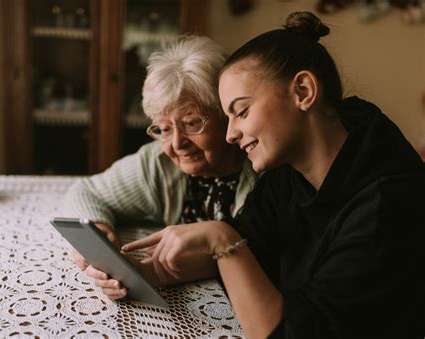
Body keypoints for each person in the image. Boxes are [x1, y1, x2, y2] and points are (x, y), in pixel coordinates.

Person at [122, 12, 425, 339]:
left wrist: (222, 239)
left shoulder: (387, 204)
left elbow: (288, 332)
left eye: (241, 112)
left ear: (304, 91)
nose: (230, 135)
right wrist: (140, 273)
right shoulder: (288, 172)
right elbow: (249, 244)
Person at [63, 36, 257, 300]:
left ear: (226, 115)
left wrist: (147, 272)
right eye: (164, 129)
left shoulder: (261, 170)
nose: (177, 144)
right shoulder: (158, 163)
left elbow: (252, 249)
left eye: (191, 123)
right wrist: (99, 230)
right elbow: (86, 191)